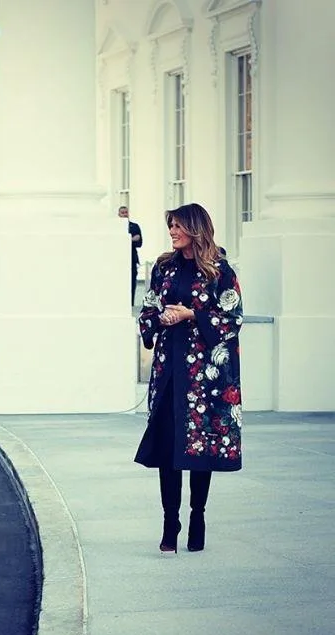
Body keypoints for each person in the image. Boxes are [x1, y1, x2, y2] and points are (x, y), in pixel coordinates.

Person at [134, 203, 243, 554]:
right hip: (170, 371)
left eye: (178, 225)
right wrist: (159, 320)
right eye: (170, 226)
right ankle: (170, 524)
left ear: (195, 228)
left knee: (200, 450)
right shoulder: (163, 268)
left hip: (205, 379)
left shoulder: (220, 271)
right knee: (168, 450)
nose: (172, 231)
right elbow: (148, 308)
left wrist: (192, 314)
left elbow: (232, 318)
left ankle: (197, 517)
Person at [119, 205, 144, 306]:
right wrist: (130, 238)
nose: (125, 215)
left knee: (132, 282)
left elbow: (139, 242)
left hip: (132, 259)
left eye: (126, 212)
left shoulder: (134, 226)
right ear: (119, 214)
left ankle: (131, 304)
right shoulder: (115, 227)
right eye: (122, 213)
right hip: (119, 259)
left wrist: (125, 240)